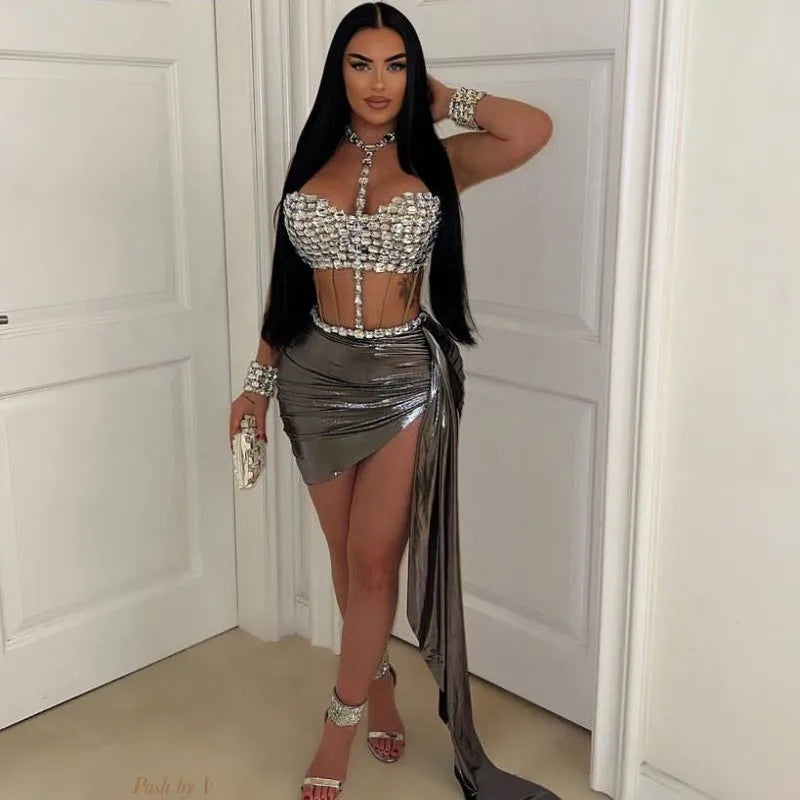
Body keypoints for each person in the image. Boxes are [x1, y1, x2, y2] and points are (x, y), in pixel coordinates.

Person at [228, 3, 555, 798]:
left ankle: (337, 726)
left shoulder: (438, 160)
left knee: (375, 564)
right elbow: (285, 283)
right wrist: (257, 383)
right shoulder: (311, 160)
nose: (378, 82)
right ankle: (377, 684)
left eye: (395, 64)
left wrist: (444, 99)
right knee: (346, 562)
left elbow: (530, 129)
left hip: (404, 380)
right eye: (361, 63)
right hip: (312, 377)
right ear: (336, 72)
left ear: (413, 72)